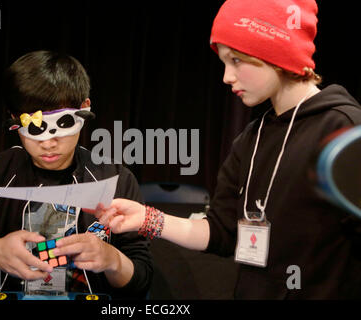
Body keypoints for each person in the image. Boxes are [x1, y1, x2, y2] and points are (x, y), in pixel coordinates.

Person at [92, 0, 361, 299]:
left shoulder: (346, 131)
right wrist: (148, 219)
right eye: (224, 62)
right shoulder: (250, 139)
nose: (226, 77)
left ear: (275, 54)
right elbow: (221, 233)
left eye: (236, 60)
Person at [0, 51, 152, 299]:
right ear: (14, 119)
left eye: (63, 125)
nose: (48, 143)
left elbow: (142, 280)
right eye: (34, 129)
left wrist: (113, 260)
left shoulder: (115, 180)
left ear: (84, 109)